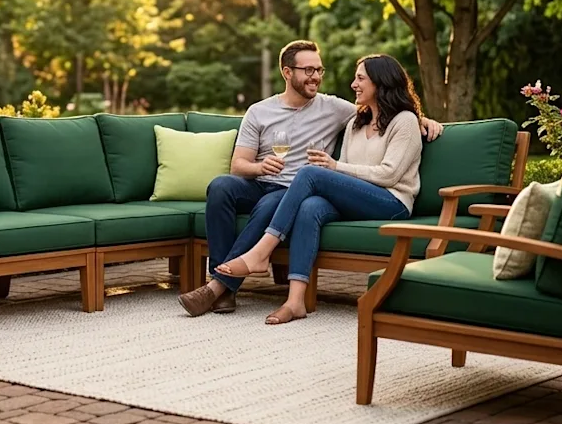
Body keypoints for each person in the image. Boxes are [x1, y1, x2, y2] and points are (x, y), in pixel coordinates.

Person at [177, 41, 441, 317]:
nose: (351, 84)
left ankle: (245, 265)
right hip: (299, 187)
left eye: (320, 70)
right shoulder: (354, 120)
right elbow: (238, 165)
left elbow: (391, 164)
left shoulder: (363, 114)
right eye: (309, 69)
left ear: (380, 81)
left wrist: (422, 120)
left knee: (307, 175)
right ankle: (294, 301)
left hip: (385, 198)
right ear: (287, 72)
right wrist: (260, 167)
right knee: (288, 202)